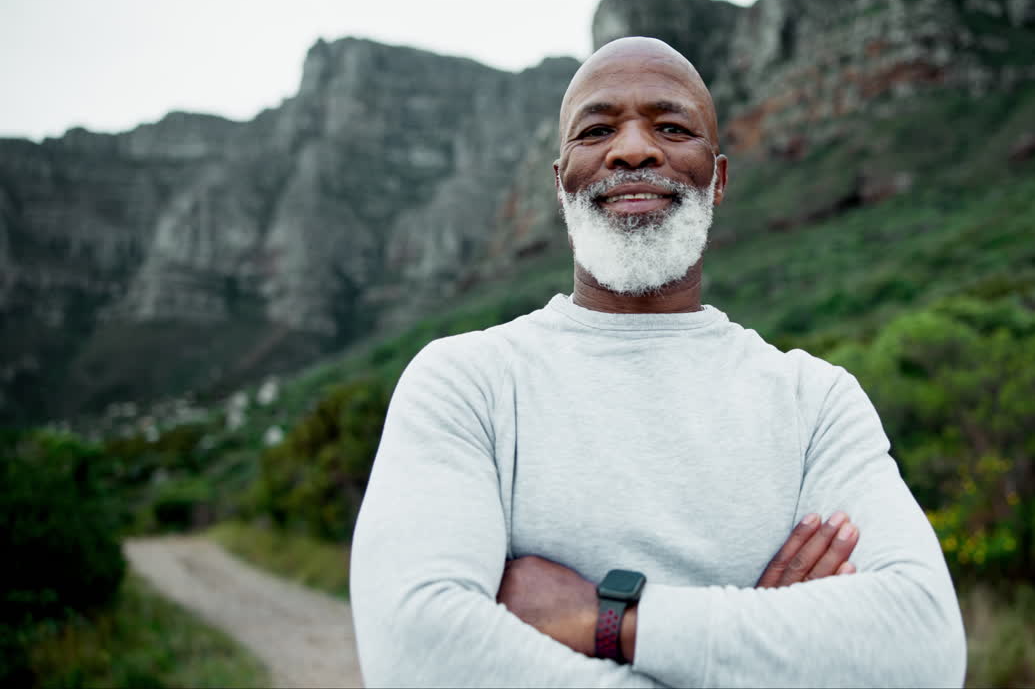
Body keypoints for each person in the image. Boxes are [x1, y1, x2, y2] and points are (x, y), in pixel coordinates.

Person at [350, 36, 966, 687]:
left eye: (671, 126)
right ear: (562, 185)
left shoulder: (815, 402)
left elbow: (922, 650)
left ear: (718, 179)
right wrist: (761, 642)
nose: (634, 149)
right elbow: (418, 654)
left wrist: (608, 619)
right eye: (597, 130)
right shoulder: (465, 383)